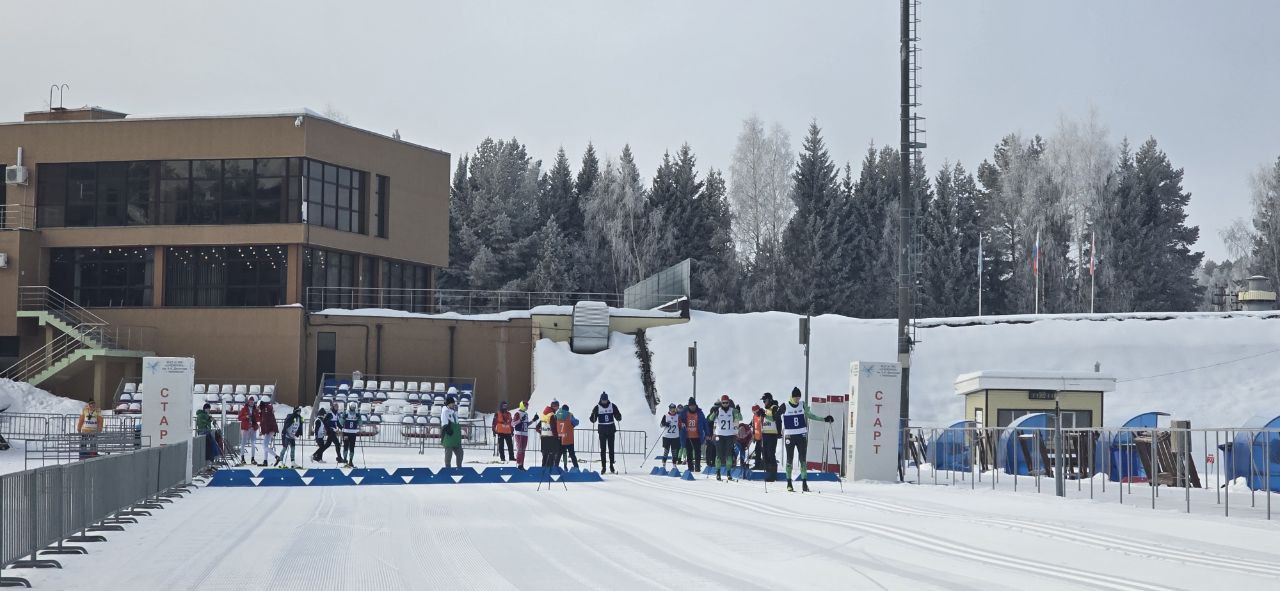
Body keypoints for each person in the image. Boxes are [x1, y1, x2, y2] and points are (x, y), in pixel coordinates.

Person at [781, 387, 834, 492]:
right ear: (792, 397)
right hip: (790, 436)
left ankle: (804, 484)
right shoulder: (785, 406)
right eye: (795, 397)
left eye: (798, 397)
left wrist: (824, 419)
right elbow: (775, 416)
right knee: (789, 460)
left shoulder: (802, 404)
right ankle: (789, 483)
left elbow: (810, 415)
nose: (797, 399)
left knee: (803, 460)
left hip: (801, 435)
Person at [706, 395, 743, 481]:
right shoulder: (718, 410)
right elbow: (710, 419)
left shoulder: (732, 410)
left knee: (728, 455)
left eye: (726, 403)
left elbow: (740, 418)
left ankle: (728, 473)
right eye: (723, 403)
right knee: (719, 455)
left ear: (728, 403)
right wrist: (714, 413)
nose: (725, 404)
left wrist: (738, 411)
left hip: (729, 435)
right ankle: (718, 472)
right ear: (721, 403)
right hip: (719, 435)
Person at [589, 392, 623, 474]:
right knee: (603, 449)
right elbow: (592, 420)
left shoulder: (612, 406)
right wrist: (593, 417)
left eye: (605, 400)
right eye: (603, 400)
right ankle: (603, 467)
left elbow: (618, 416)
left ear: (607, 399)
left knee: (611, 449)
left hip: (611, 430)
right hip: (602, 431)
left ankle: (611, 465)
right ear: (601, 399)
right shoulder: (597, 407)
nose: (604, 401)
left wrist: (618, 416)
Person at [679, 398, 708, 472]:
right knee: (689, 452)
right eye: (691, 405)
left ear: (696, 405)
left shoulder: (699, 413)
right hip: (687, 436)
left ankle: (697, 467)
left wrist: (707, 433)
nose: (692, 407)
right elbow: (679, 421)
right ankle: (690, 467)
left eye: (694, 405)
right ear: (688, 406)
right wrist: (681, 424)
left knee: (698, 452)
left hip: (697, 436)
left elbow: (705, 423)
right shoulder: (684, 413)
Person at [757, 397, 783, 482]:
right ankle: (768, 473)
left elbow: (776, 418)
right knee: (765, 453)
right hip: (765, 434)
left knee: (771, 454)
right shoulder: (767, 410)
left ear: (770, 400)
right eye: (763, 401)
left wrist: (765, 415)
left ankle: (773, 475)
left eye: (765, 400)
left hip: (772, 434)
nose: (764, 402)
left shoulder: (774, 407)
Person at [538, 400, 561, 469]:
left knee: (545, 456)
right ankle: (549, 472)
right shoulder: (551, 415)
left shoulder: (544, 415)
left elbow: (537, 427)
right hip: (551, 438)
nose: (558, 408)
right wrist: (557, 437)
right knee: (551, 456)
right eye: (557, 406)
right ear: (554, 406)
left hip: (543, 438)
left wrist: (542, 432)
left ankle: (543, 472)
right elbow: (553, 428)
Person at [441, 395, 464, 468]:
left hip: (455, 437)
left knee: (460, 453)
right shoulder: (445, 412)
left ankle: (459, 467)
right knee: (449, 453)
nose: (453, 404)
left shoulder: (454, 412)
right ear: (448, 404)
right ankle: (448, 468)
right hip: (449, 436)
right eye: (452, 403)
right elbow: (444, 423)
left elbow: (456, 423)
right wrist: (448, 430)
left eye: (453, 403)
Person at [557, 404, 581, 470]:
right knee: (572, 455)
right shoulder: (569, 415)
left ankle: (556, 468)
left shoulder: (557, 415)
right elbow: (575, 422)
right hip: (568, 438)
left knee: (559, 454)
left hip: (560, 438)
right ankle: (576, 467)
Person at [659, 403, 682, 469]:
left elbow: (680, 426)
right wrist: (665, 424)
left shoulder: (678, 416)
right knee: (666, 451)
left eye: (674, 409)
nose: (672, 410)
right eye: (671, 409)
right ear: (669, 409)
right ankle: (664, 464)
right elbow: (661, 425)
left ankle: (674, 465)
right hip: (667, 436)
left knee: (674, 452)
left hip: (675, 437)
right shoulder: (665, 416)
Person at [339, 402, 361, 468]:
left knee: (352, 447)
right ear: (349, 407)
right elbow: (341, 422)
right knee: (345, 446)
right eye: (352, 407)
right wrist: (343, 418)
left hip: (353, 433)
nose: (352, 408)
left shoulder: (357, 413)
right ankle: (345, 460)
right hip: (346, 432)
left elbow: (360, 423)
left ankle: (351, 461)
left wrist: (359, 419)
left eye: (354, 407)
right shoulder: (345, 412)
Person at [238, 396, 259, 465]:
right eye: (250, 401)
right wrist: (245, 417)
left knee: (253, 444)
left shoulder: (255, 409)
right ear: (248, 402)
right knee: (243, 444)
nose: (251, 403)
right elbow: (239, 418)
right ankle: (242, 458)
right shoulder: (244, 409)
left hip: (253, 428)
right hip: (245, 428)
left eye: (252, 402)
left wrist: (256, 418)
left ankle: (253, 459)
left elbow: (258, 418)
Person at [258, 400, 279, 467]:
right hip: (270, 429)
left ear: (260, 405)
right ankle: (265, 461)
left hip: (269, 430)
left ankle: (276, 457)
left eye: (258, 407)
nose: (258, 409)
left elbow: (265, 422)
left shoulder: (265, 411)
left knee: (264, 446)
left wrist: (263, 431)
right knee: (265, 446)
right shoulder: (266, 410)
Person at [512, 401, 531, 470]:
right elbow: (512, 423)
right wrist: (520, 420)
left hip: (525, 434)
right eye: (526, 406)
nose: (527, 407)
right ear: (522, 406)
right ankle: (518, 464)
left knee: (523, 450)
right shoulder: (518, 413)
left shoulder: (526, 414)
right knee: (520, 449)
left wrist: (533, 420)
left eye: (527, 406)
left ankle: (521, 465)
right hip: (519, 433)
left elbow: (526, 424)